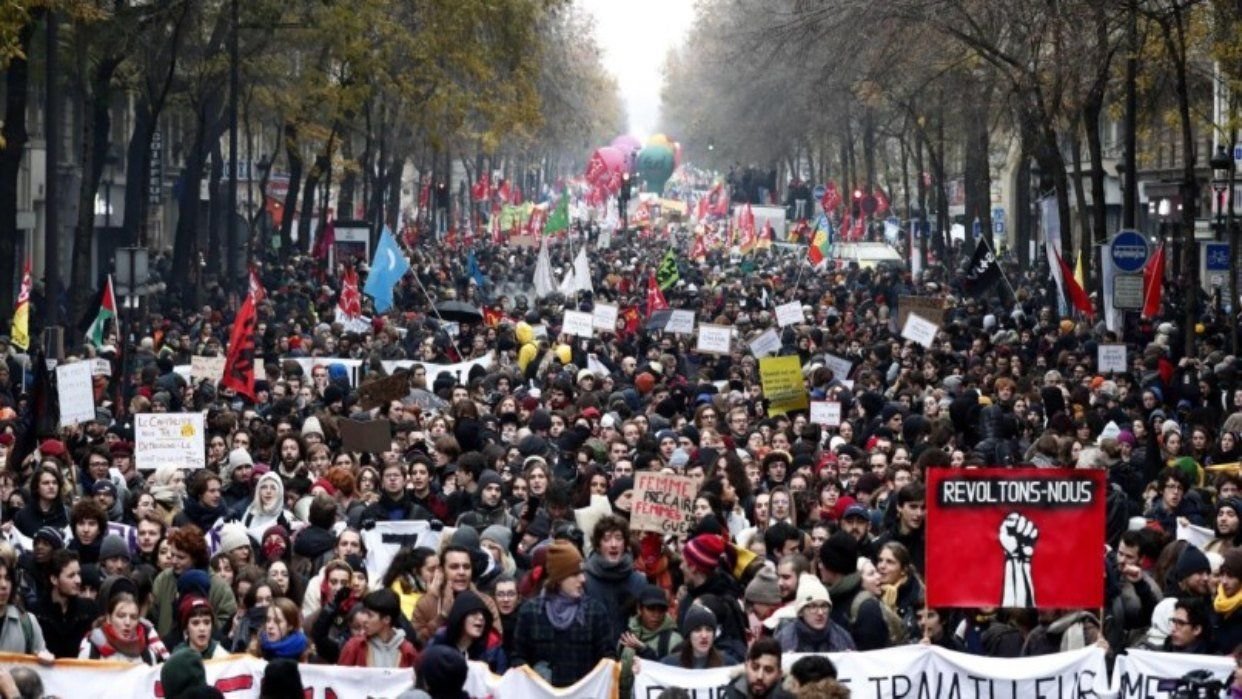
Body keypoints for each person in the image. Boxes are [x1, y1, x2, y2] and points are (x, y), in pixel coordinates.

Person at [511, 539, 614, 687]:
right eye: (575, 574)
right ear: (558, 578)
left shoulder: (595, 612)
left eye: (582, 573)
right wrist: (534, 674)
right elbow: (518, 658)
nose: (583, 579)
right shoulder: (530, 612)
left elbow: (608, 661)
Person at [412, 545, 501, 645]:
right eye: (454, 567)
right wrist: (442, 616)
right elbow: (417, 643)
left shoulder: (485, 602)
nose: (462, 572)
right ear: (442, 571)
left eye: (466, 567)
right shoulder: (426, 603)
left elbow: (496, 642)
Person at [583, 514, 646, 643]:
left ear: (625, 544)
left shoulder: (639, 581)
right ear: (598, 545)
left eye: (618, 538)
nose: (613, 544)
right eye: (607, 539)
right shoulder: (584, 579)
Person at [79, 584, 169, 664]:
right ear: (109, 618)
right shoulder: (91, 650)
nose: (127, 622)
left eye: (133, 617)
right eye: (121, 616)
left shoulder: (147, 655)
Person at [33, 549, 96, 658]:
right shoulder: (35, 613)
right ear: (54, 579)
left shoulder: (89, 609)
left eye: (78, 574)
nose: (78, 580)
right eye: (71, 576)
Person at [429, 589, 506, 673]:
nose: (481, 618)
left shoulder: (493, 652)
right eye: (474, 613)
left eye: (483, 614)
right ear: (460, 617)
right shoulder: (437, 645)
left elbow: (500, 681)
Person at [774, 574, 854, 652]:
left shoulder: (843, 637)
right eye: (813, 607)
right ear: (801, 611)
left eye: (824, 606)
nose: (820, 612)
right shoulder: (784, 639)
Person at [339, 588, 419, 668]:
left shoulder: (408, 652)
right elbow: (340, 678)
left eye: (370, 615)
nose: (365, 620)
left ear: (386, 619)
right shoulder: (354, 646)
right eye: (365, 613)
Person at [0, 557, 52, 660]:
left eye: (7, 578)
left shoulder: (27, 622)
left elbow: (42, 656)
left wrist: (45, 659)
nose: (4, 585)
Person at [661, 603, 735, 668]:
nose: (704, 635)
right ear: (689, 634)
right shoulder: (670, 665)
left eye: (709, 630)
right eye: (697, 630)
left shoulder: (728, 665)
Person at [724, 637, 794, 699]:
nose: (760, 676)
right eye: (755, 668)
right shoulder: (728, 694)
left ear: (779, 674)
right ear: (746, 667)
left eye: (768, 670)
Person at [175, 595, 230, 659]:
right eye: (195, 623)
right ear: (186, 627)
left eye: (207, 623)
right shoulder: (177, 657)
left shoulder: (222, 657)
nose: (202, 628)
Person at [260, 597, 309, 662]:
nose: (269, 626)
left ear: (290, 625)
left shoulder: (305, 654)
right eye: (268, 620)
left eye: (277, 621)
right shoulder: (258, 648)